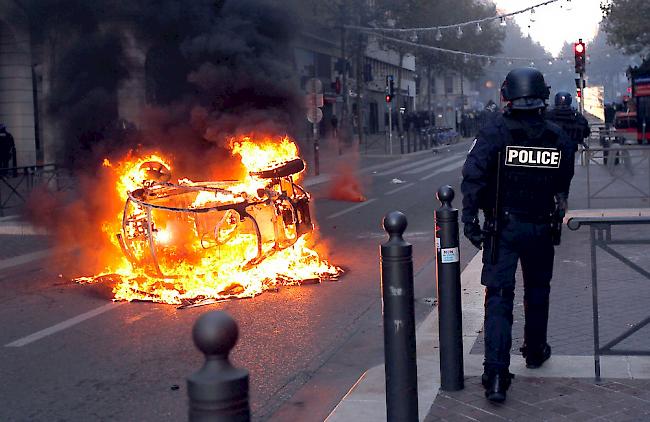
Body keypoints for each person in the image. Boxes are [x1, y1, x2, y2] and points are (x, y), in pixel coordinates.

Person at [461, 68, 575, 403]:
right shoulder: (556, 136)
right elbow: (562, 181)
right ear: (542, 95)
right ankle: (536, 351)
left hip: (504, 228)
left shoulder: (495, 130)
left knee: (499, 298)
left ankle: (496, 374)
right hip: (540, 226)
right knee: (538, 291)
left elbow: (473, 175)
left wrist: (470, 219)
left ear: (508, 94)